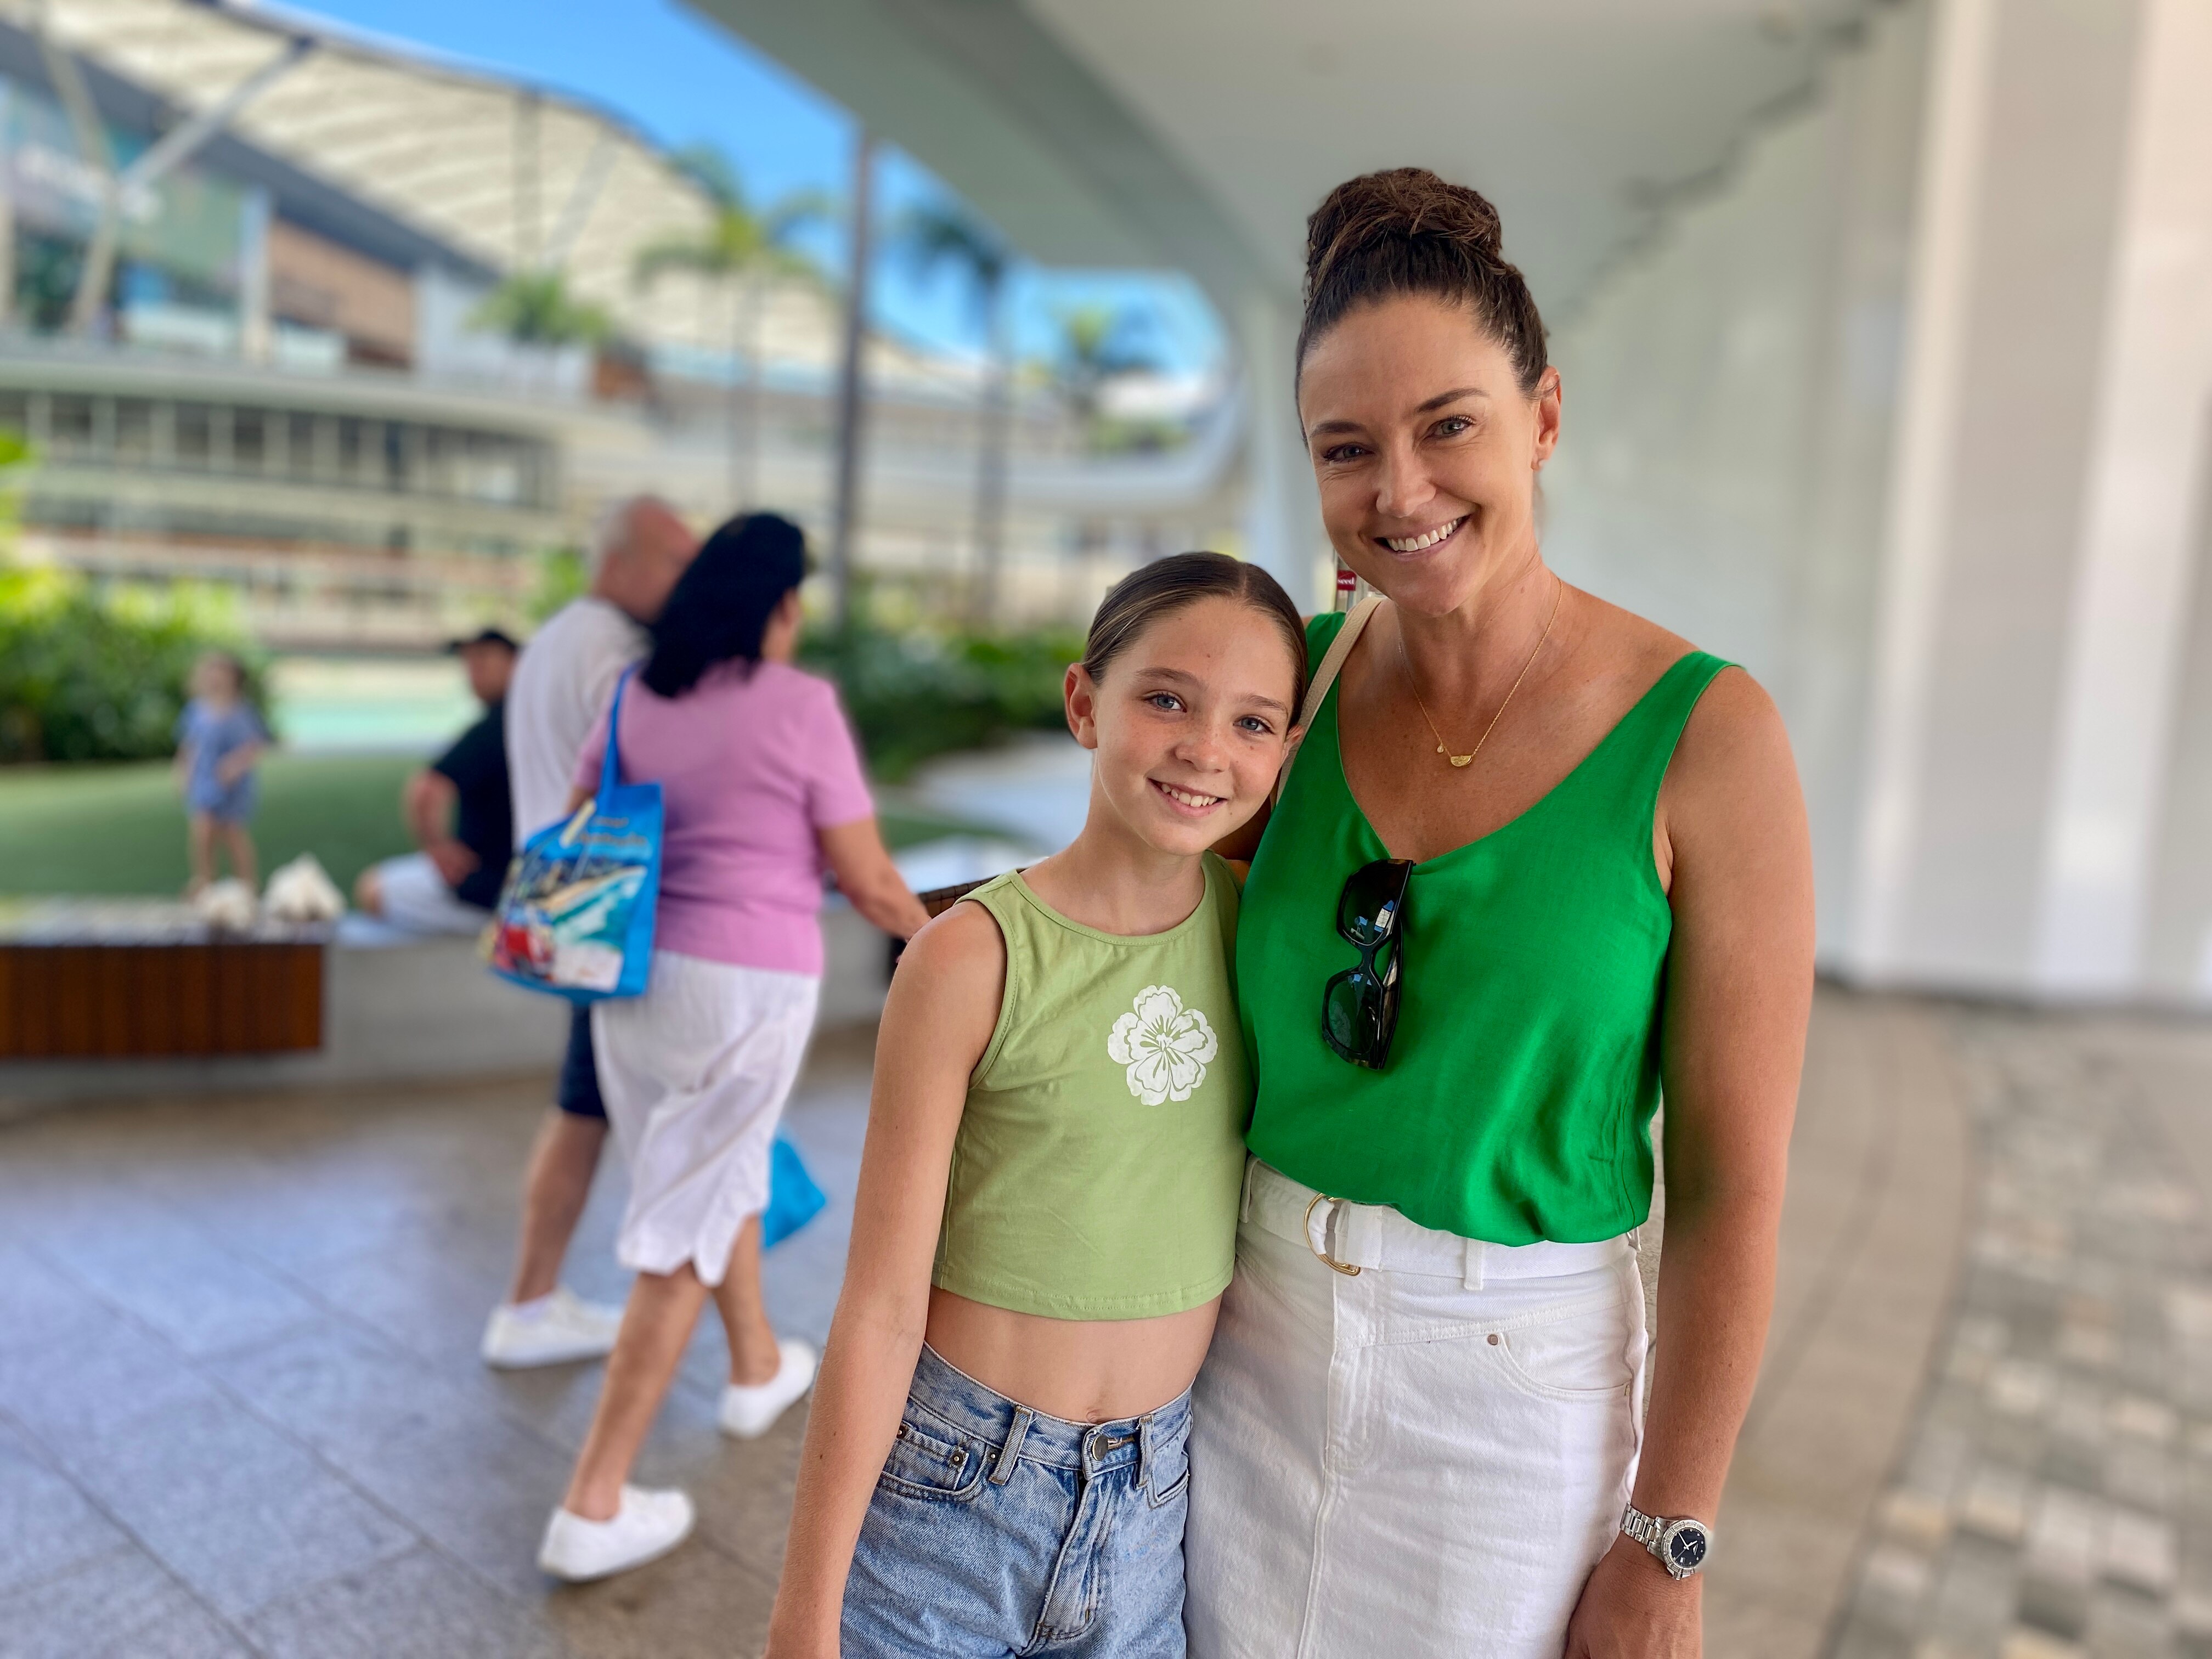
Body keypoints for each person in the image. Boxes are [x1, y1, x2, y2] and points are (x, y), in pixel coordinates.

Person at [1184, 169, 1814, 1659]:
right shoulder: (1303, 685)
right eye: (1348, 449)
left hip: (1514, 1399)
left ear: (1542, 415)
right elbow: (1160, 964)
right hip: (1240, 1351)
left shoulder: (1710, 739)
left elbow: (1733, 1191)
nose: (1398, 492)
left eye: (1447, 425)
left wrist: (1671, 1541)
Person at [765, 554, 1307, 1659]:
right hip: (951, 1499)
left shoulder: (1263, 931)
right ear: (1082, 703)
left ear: (1288, 753)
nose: (1207, 749)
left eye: (1255, 724)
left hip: (1156, 1504)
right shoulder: (969, 958)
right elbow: (877, 1307)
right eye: (1166, 700)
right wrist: (803, 1613)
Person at [537, 512, 930, 1583]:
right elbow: (868, 878)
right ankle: (593, 1501)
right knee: (681, 1224)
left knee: (712, 1176)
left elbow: (578, 825)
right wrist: (949, 949)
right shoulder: (798, 707)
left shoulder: (633, 696)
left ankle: (758, 1367)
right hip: (746, 984)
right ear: (780, 606)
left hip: (629, 990)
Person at [480, 495, 699, 1371]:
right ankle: (532, 1304)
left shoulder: (554, 637)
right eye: (677, 561)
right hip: (612, 915)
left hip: (564, 903)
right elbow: (650, 763)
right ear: (628, 562)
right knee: (612, 1111)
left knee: (589, 1108)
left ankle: (536, 1299)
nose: (689, 584)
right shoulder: (616, 650)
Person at [353, 629, 518, 934]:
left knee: (372, 888)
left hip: (492, 893)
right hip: (539, 883)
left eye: (483, 658)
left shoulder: (499, 723)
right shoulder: (537, 719)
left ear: (516, 663)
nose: (472, 669)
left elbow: (427, 789)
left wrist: (438, 848)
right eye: (469, 660)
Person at [174, 651, 268, 896]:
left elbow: (253, 746)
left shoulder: (240, 712)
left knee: (232, 832)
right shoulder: (196, 711)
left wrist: (235, 766)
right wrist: (183, 773)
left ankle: (247, 883)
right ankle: (204, 879)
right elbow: (189, 747)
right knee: (202, 830)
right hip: (205, 782)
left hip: (232, 786)